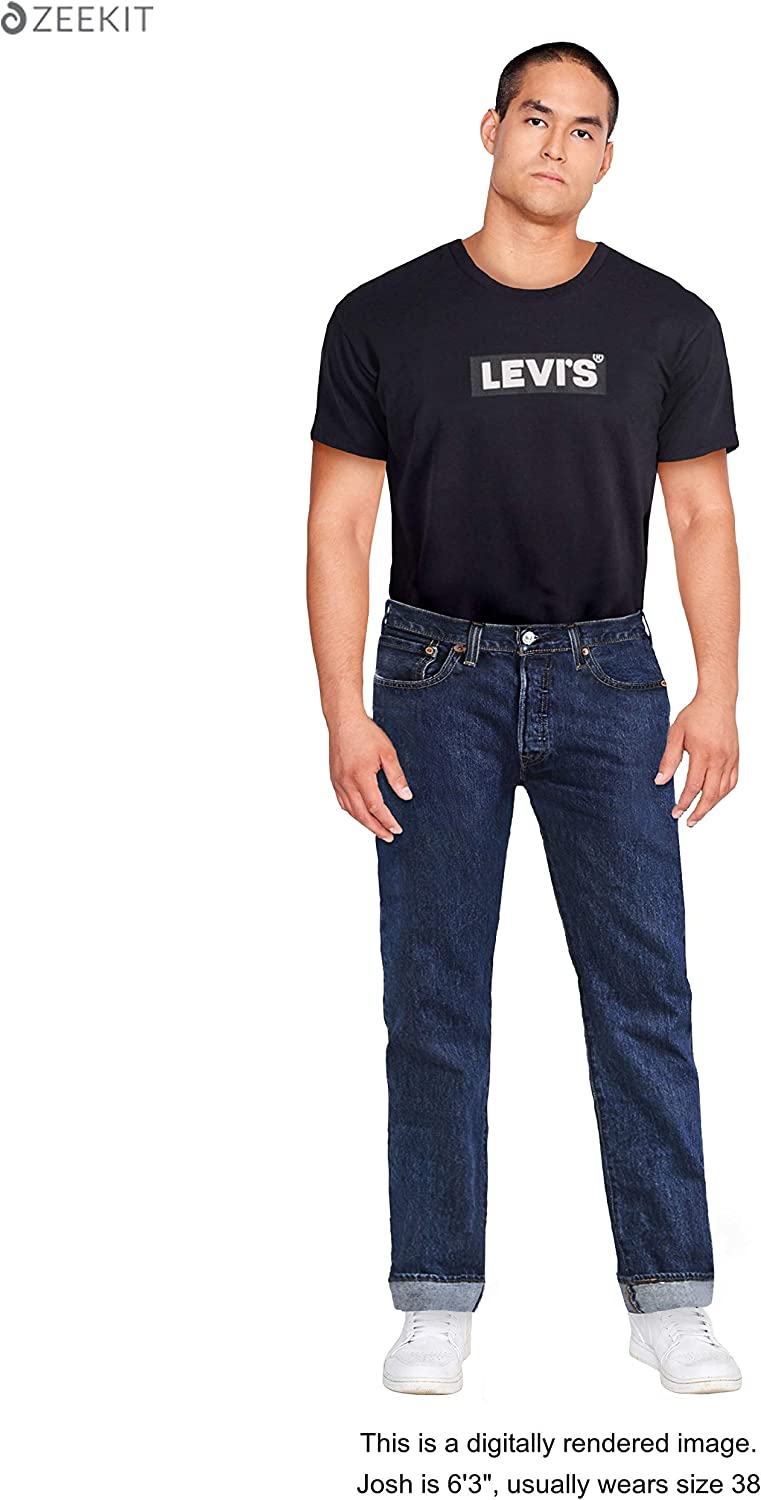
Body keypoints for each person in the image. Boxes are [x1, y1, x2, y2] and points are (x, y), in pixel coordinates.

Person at [306, 40, 742, 1396]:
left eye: (585, 127)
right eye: (536, 117)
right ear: (490, 128)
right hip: (431, 677)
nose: (557, 145)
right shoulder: (383, 316)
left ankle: (669, 1296)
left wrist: (717, 690)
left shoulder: (669, 321)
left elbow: (700, 514)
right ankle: (435, 1296)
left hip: (611, 677)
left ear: (608, 156)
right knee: (433, 995)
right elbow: (338, 522)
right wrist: (343, 712)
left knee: (642, 992)